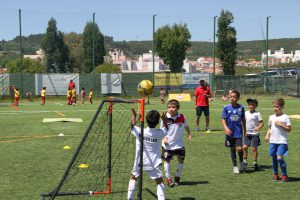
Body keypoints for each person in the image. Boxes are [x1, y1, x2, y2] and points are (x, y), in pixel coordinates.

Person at [127, 109, 168, 200]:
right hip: (153, 163)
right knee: (159, 182)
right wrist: (164, 119)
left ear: (146, 120)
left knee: (133, 178)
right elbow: (166, 129)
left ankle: (130, 198)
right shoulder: (159, 133)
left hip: (139, 161)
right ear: (158, 122)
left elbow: (132, 127)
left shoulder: (140, 131)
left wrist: (134, 115)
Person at [161, 99, 192, 187]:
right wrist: (164, 138)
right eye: (169, 107)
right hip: (167, 145)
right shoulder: (165, 117)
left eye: (173, 107)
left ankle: (177, 177)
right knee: (167, 161)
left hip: (179, 144)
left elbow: (186, 126)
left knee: (181, 161)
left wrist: (189, 134)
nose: (171, 109)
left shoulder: (182, 117)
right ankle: (168, 178)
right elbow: (161, 130)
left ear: (178, 108)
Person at [265, 98, 291, 182]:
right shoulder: (271, 117)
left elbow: (289, 129)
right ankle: (275, 174)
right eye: (274, 107)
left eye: (277, 106)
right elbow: (269, 127)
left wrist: (281, 124)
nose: (275, 108)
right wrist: (267, 135)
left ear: (282, 106)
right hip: (273, 141)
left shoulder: (285, 117)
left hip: (282, 141)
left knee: (279, 158)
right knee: (274, 158)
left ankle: (284, 175)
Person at [221, 90, 246, 174]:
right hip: (229, 132)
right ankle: (235, 166)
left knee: (239, 148)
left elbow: (243, 119)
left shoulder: (241, 107)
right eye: (231, 96)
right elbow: (223, 119)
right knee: (232, 149)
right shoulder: (226, 107)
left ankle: (242, 162)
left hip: (238, 132)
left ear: (238, 98)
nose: (232, 98)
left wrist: (245, 130)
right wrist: (226, 128)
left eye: (234, 97)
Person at [243, 98, 264, 171]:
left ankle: (255, 163)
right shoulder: (245, 113)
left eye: (252, 104)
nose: (250, 106)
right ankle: (245, 161)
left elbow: (262, 123)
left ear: (256, 106)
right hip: (247, 133)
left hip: (255, 134)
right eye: (249, 104)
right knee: (245, 147)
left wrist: (258, 128)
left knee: (254, 148)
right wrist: (244, 130)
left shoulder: (257, 114)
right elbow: (243, 122)